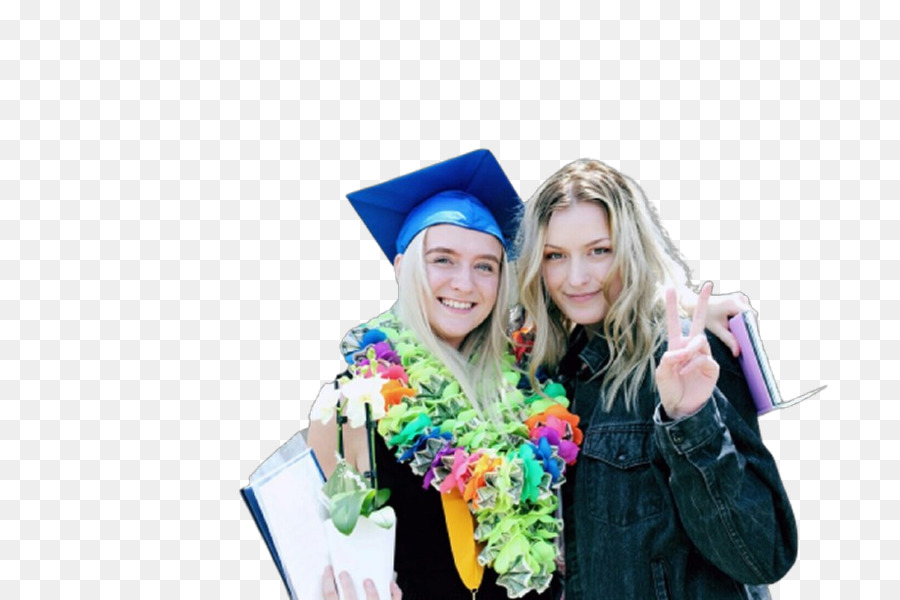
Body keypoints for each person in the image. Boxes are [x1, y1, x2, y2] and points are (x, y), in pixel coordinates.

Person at [309, 150, 752, 600]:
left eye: (486, 265)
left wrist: (682, 308)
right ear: (404, 268)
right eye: (442, 259)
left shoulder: (530, 375)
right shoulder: (355, 405)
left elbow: (595, 304)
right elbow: (317, 558)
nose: (465, 282)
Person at [516, 159, 798, 599]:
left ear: (631, 248)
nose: (576, 278)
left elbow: (762, 555)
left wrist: (690, 420)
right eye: (555, 256)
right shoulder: (547, 375)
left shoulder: (687, 356)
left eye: (599, 250)